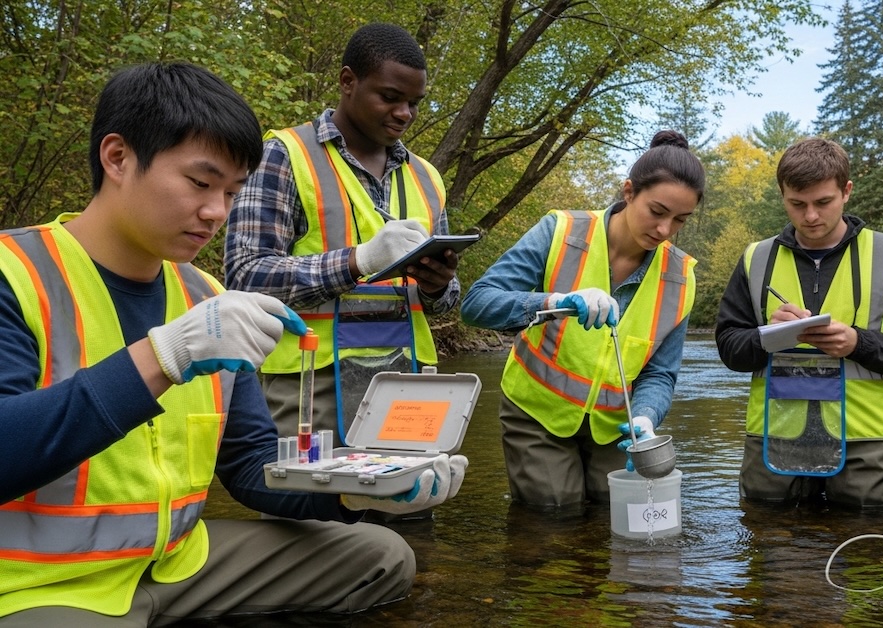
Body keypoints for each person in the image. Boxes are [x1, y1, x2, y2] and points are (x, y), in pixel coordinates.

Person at [0, 62, 467, 625]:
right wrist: (162, 357)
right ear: (118, 158)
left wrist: (356, 490)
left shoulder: (206, 295)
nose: (217, 213)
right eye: (200, 183)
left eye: (232, 191)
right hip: (39, 581)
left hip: (177, 564)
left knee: (380, 557)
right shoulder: (15, 272)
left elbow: (249, 466)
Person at [225, 23, 460, 449]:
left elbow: (444, 302)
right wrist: (360, 261)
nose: (405, 112)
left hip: (411, 386)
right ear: (347, 82)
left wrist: (438, 285)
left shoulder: (427, 178)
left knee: (407, 512)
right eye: (390, 97)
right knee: (320, 512)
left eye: (413, 103)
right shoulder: (283, 154)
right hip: (312, 386)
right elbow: (246, 277)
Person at [459, 130, 702, 509]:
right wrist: (556, 302)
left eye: (680, 220)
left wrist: (645, 417)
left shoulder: (681, 276)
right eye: (656, 212)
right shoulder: (561, 231)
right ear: (628, 192)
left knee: (614, 517)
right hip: (537, 411)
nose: (664, 230)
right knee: (555, 511)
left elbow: (659, 373)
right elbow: (477, 304)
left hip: (613, 429)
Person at [715, 138, 883, 508]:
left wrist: (858, 343)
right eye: (797, 204)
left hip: (868, 438)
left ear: (846, 191)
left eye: (823, 202)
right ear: (782, 194)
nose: (810, 216)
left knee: (866, 552)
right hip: (774, 434)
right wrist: (767, 337)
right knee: (769, 539)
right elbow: (729, 349)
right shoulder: (756, 258)